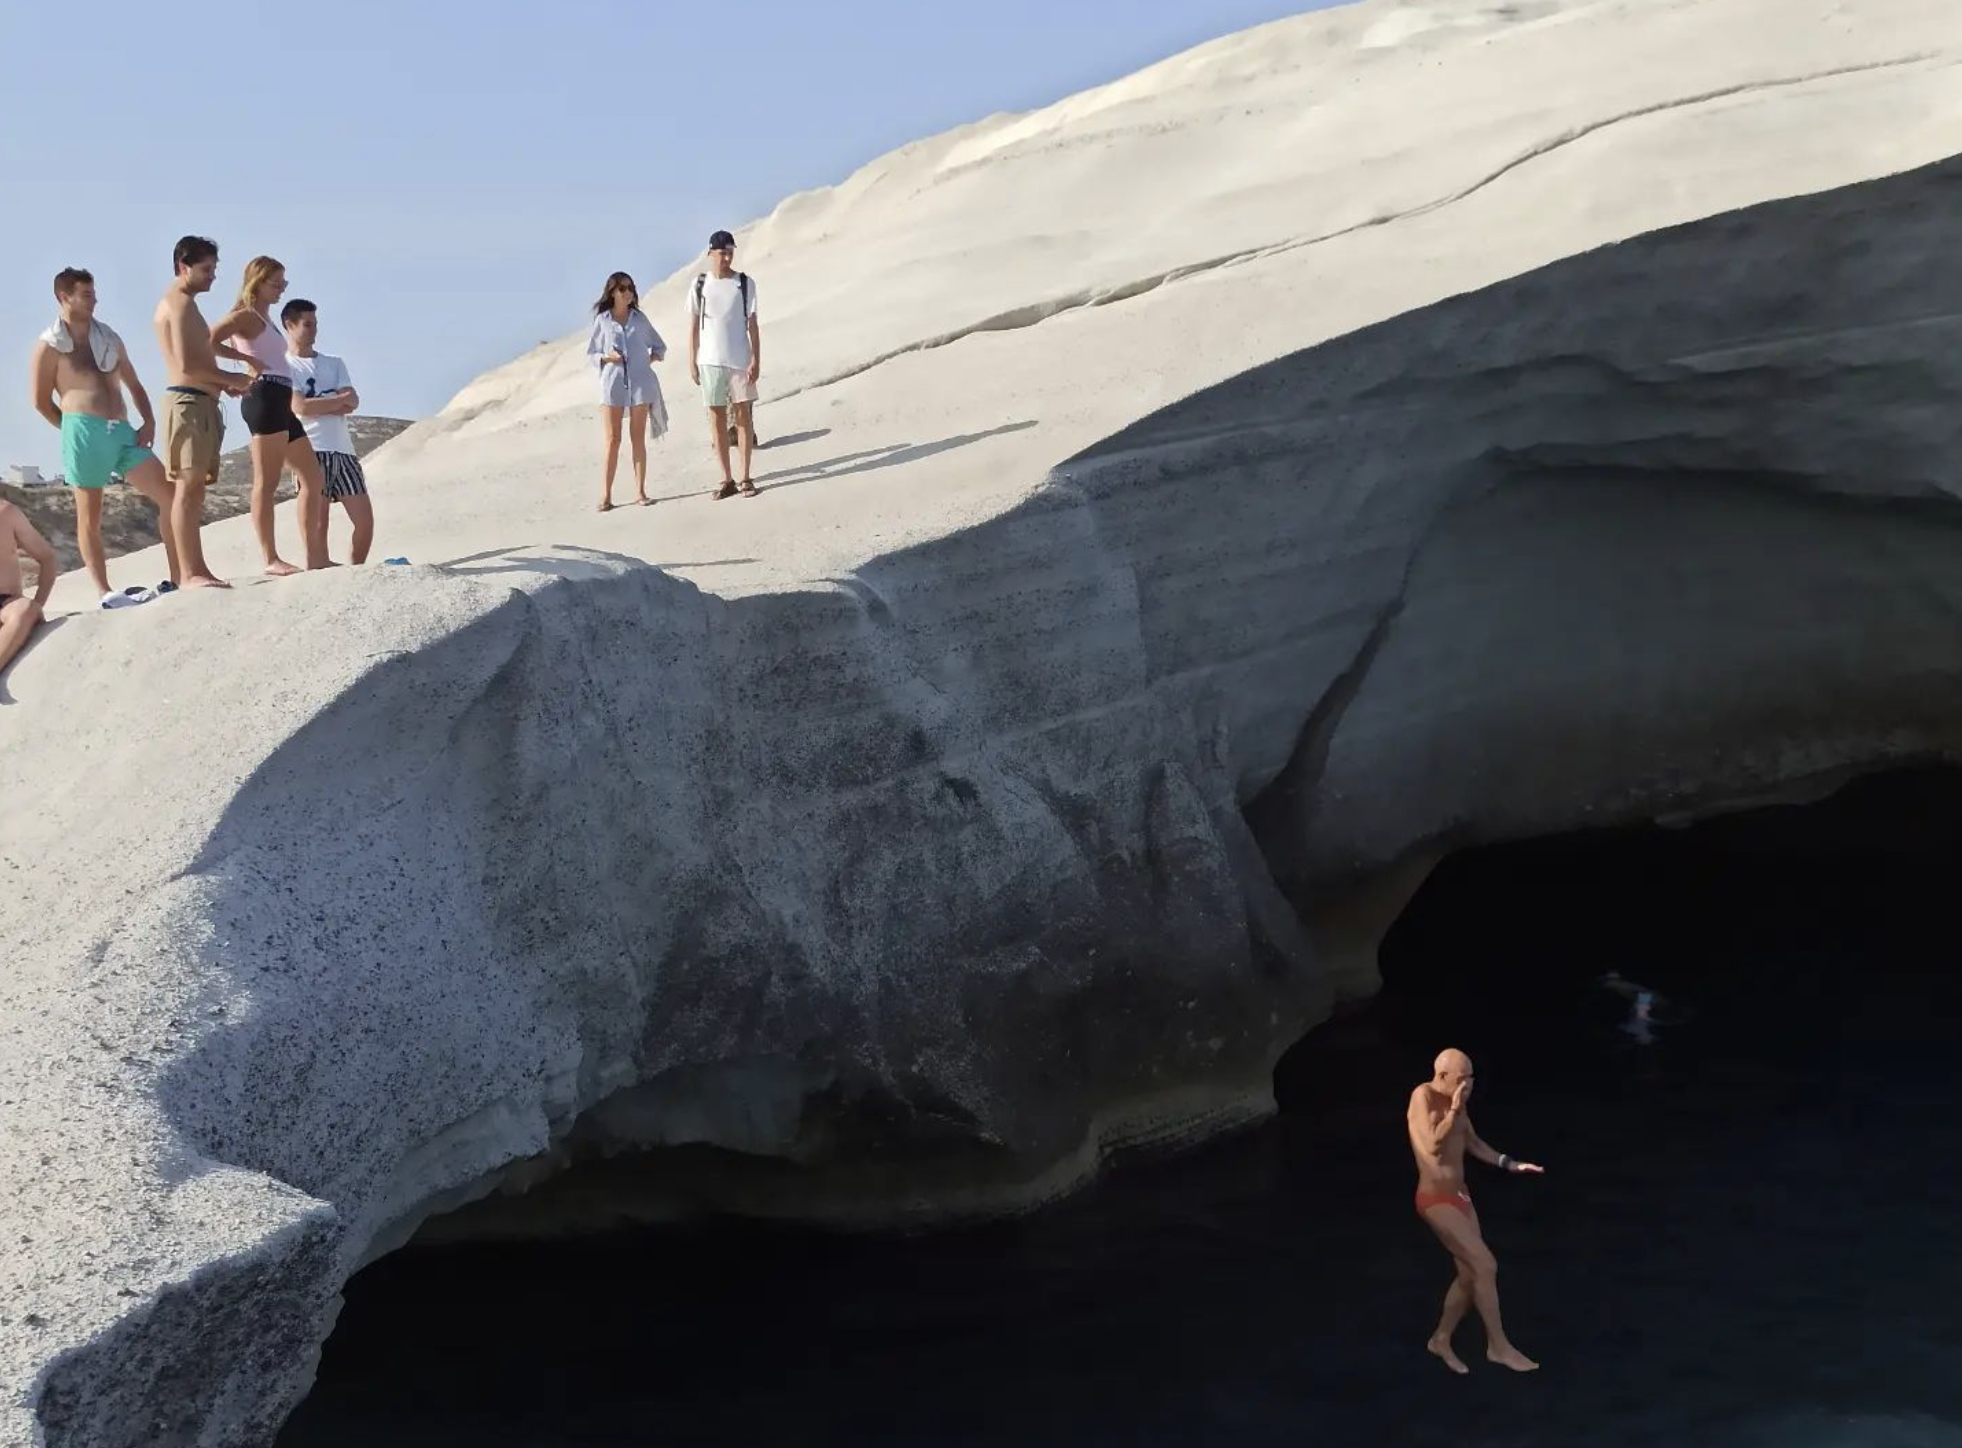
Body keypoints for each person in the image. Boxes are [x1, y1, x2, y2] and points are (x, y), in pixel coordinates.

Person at [29, 268, 184, 608]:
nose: (94, 299)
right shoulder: (49, 346)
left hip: (123, 431)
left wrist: (149, 422)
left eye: (93, 293)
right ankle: (104, 591)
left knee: (170, 496)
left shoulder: (109, 337)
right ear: (63, 297)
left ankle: (178, 576)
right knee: (90, 515)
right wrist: (73, 430)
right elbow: (41, 401)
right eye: (86, 294)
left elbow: (135, 384)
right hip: (83, 430)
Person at [1406, 1048, 1544, 1374]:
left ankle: (1440, 1339)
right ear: (1443, 1077)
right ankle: (1498, 1347)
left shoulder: (1460, 1103)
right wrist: (1453, 1110)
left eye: (1471, 1077)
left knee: (1470, 1274)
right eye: (1462, 1078)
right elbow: (1431, 1146)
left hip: (1460, 1197)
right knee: (1485, 1264)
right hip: (1435, 1199)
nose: (1468, 1084)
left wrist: (1510, 1164)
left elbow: (1474, 1143)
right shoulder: (1422, 1097)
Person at [211, 256, 330, 575]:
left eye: (283, 284)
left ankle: (315, 556)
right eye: (275, 283)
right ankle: (270, 559)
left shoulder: (264, 317)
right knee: (266, 482)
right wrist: (238, 366)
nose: (281, 290)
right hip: (263, 396)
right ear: (258, 282)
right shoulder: (245, 316)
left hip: (281, 398)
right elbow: (207, 340)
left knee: (312, 477)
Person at [153, 236, 252, 588]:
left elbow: (197, 362)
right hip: (187, 403)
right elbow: (186, 363)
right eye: (206, 269)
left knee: (195, 491)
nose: (213, 276)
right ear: (184, 267)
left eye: (214, 268)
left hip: (201, 402)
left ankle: (195, 570)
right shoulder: (177, 304)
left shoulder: (187, 305)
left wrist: (225, 384)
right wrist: (232, 377)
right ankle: (190, 572)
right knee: (187, 488)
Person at [282, 299, 375, 563]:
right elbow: (299, 406)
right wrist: (336, 401)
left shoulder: (334, 363)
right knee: (319, 523)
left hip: (344, 450)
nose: (313, 330)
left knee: (365, 522)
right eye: (307, 324)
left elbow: (353, 401)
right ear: (290, 325)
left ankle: (356, 569)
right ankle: (319, 570)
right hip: (312, 448)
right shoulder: (286, 366)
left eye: (315, 324)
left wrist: (322, 404)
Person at [586, 272, 669, 511]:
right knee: (612, 440)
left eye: (630, 287)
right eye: (622, 289)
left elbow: (659, 346)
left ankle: (640, 491)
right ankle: (606, 495)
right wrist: (607, 357)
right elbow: (591, 353)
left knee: (637, 439)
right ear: (612, 292)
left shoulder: (639, 320)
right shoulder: (603, 321)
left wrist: (647, 361)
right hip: (612, 386)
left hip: (641, 385)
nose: (628, 292)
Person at [687, 230, 761, 499]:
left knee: (743, 415)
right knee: (716, 417)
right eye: (722, 253)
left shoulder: (744, 283)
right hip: (709, 360)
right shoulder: (699, 285)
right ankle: (725, 478)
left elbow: (752, 324)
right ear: (710, 253)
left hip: (740, 359)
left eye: (730, 252)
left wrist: (756, 358)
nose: (727, 257)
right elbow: (693, 326)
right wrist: (692, 361)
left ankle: (745, 477)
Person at [0, 500, 56, 676]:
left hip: (6, 603)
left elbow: (47, 558)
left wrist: (38, 604)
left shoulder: (6, 513)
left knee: (26, 609)